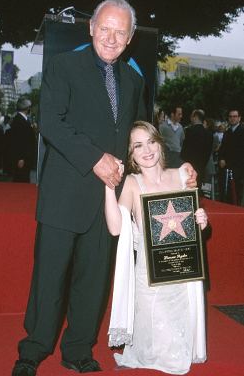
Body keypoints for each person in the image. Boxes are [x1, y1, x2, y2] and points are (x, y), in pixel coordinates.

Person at [12, 0, 197, 376]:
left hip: (110, 199)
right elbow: (51, 120)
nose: (111, 38)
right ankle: (33, 349)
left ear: (129, 38)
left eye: (120, 32)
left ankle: (78, 349)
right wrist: (94, 158)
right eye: (105, 29)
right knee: (50, 276)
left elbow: (141, 137)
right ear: (91, 28)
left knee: (93, 279)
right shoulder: (64, 66)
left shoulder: (134, 80)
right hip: (65, 192)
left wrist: (177, 169)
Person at [105, 121, 208, 375]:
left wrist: (201, 220)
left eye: (151, 141)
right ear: (131, 154)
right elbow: (116, 229)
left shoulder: (182, 174)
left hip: (182, 275)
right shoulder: (131, 182)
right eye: (138, 145)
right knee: (157, 353)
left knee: (178, 354)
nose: (147, 150)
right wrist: (108, 186)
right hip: (150, 279)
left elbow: (192, 224)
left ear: (160, 144)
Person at [181, 109, 213, 192]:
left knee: (190, 191)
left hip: (190, 169)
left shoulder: (189, 131)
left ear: (195, 117)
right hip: (203, 168)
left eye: (192, 116)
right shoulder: (209, 134)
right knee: (203, 191)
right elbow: (208, 152)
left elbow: (184, 151)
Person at [218, 109, 244, 205]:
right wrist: (221, 158)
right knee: (226, 194)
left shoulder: (242, 131)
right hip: (226, 168)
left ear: (239, 118)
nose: (232, 118)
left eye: (235, 116)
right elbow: (223, 148)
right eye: (230, 116)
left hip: (238, 168)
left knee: (236, 193)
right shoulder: (227, 132)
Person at [10, 98, 37, 183]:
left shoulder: (22, 119)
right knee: (21, 179)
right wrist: (20, 158)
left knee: (23, 178)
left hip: (25, 157)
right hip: (22, 158)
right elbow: (19, 141)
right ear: (27, 108)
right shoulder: (20, 121)